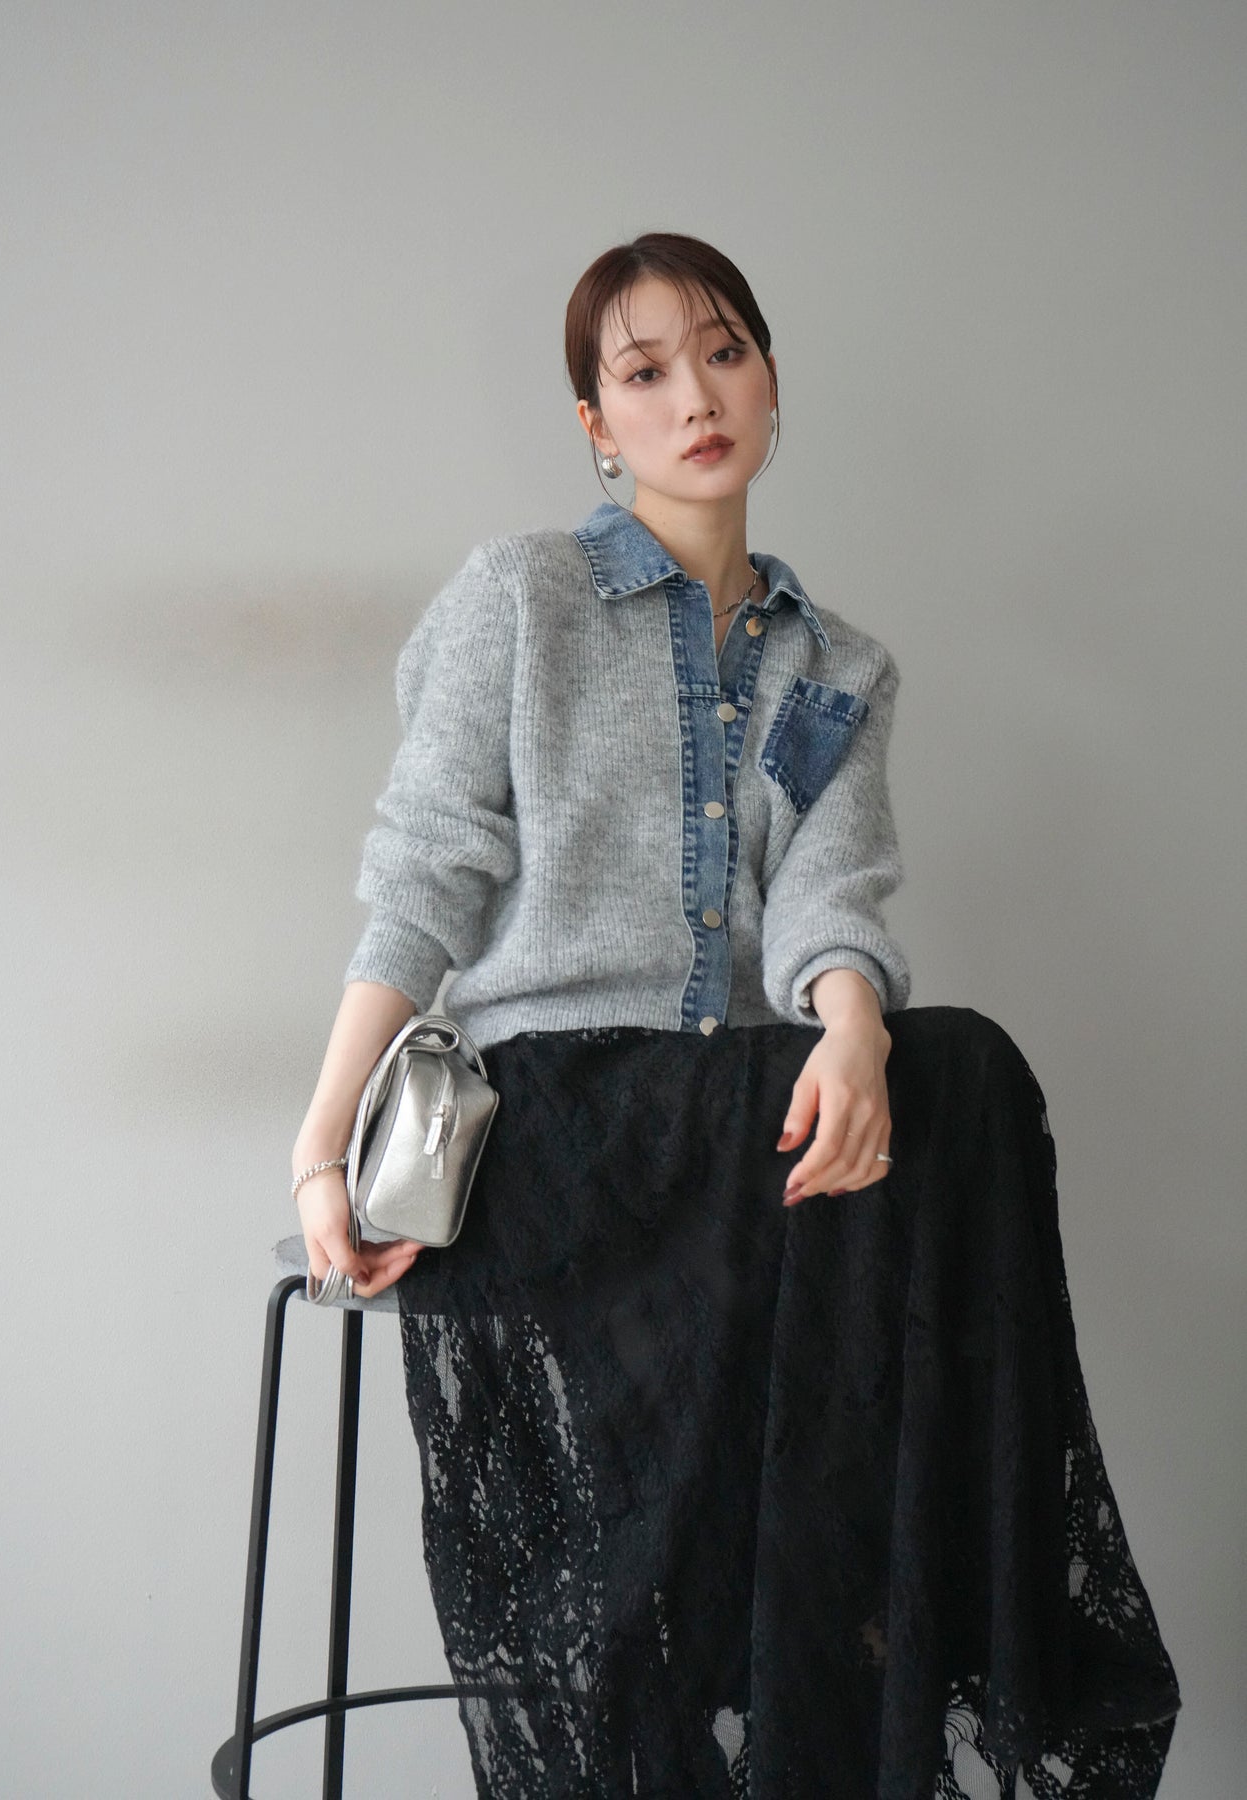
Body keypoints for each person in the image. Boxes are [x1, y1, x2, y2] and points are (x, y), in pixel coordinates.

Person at [290, 233, 1181, 1797]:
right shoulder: (522, 598)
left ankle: (835, 1669)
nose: (693, 397)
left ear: (770, 381)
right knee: (886, 1101)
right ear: (596, 423)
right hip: (556, 1118)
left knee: (956, 1069)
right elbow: (425, 879)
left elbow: (834, 892)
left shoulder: (836, 668)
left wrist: (854, 1030)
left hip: (738, 1126)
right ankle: (828, 1687)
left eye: (722, 354)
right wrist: (320, 1150)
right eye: (644, 373)